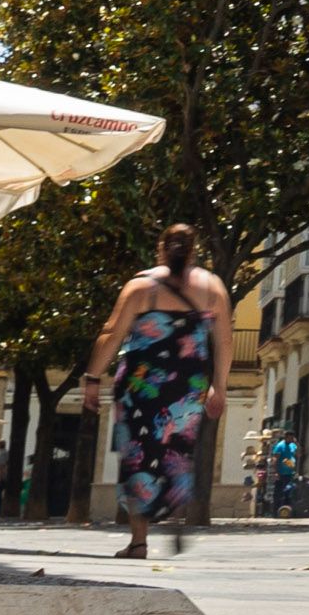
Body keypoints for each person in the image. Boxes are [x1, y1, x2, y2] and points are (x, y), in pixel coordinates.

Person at [84, 223, 231, 558]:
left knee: (138, 456)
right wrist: (218, 387)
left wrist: (93, 377)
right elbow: (224, 341)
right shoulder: (212, 287)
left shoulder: (141, 287)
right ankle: (177, 515)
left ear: (161, 249)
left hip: (141, 385)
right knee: (176, 452)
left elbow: (111, 334)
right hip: (187, 386)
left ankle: (139, 541)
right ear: (195, 251)